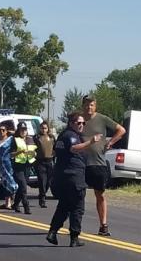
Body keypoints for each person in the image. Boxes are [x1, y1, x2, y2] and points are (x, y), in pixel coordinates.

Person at [47, 112, 103, 247]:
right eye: (79, 123)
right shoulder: (70, 136)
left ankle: (52, 232)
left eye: (83, 123)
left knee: (64, 206)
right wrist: (91, 141)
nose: (82, 125)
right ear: (71, 123)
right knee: (78, 207)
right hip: (73, 176)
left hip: (62, 176)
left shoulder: (62, 135)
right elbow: (73, 149)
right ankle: (74, 237)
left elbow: (55, 152)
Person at [81, 95, 126, 236]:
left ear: (96, 106)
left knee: (100, 194)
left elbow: (121, 130)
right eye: (87, 104)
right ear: (83, 105)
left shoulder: (102, 119)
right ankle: (75, 224)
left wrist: (111, 142)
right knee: (77, 195)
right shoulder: (78, 120)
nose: (89, 107)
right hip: (81, 163)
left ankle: (103, 225)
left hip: (98, 163)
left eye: (92, 104)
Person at [11, 122, 37, 214]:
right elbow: (11, 154)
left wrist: (33, 154)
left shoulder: (30, 139)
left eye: (25, 129)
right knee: (23, 186)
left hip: (27, 166)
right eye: (21, 130)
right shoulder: (15, 140)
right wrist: (20, 151)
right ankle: (26, 206)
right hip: (18, 166)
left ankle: (16, 204)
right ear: (18, 130)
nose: (23, 131)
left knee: (22, 187)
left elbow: (34, 151)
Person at [0, 122, 17, 210]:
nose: (1, 132)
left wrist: (12, 132)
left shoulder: (10, 139)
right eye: (0, 130)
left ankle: (14, 201)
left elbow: (18, 137)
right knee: (4, 183)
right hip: (1, 165)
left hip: (9, 164)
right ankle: (7, 202)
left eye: (3, 130)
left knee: (11, 183)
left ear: (6, 131)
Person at [34, 121, 56, 208]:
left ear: (48, 129)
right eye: (42, 128)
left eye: (45, 128)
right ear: (40, 128)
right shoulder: (37, 137)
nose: (44, 130)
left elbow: (55, 147)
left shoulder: (51, 137)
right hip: (40, 162)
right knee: (42, 181)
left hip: (49, 161)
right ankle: (42, 199)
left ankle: (43, 194)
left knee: (48, 182)